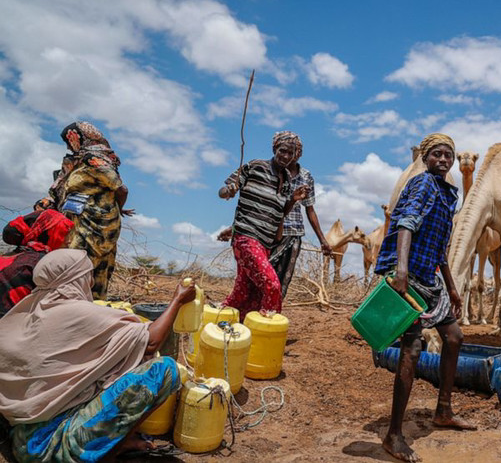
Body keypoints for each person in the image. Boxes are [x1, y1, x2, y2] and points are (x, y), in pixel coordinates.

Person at [0, 249, 196, 462]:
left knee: (114, 363)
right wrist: (178, 299)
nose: (91, 282)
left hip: (22, 441)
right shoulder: (75, 312)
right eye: (88, 275)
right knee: (163, 370)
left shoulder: (26, 311)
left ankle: (116, 442)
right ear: (76, 278)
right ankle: (113, 449)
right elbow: (151, 341)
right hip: (52, 448)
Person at [373, 133, 476, 462]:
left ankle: (443, 410)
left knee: (455, 337)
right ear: (425, 158)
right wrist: (401, 271)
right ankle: (393, 435)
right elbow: (406, 224)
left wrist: (453, 287)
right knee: (412, 349)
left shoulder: (448, 194)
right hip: (411, 277)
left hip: (430, 278)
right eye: (437, 155)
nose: (444, 160)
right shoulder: (423, 185)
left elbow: (440, 249)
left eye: (448, 155)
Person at [219, 135, 331, 299]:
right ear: (276, 150)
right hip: (265, 235)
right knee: (257, 278)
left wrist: (322, 240)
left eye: (295, 151)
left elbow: (310, 209)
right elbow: (255, 207)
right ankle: (250, 314)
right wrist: (234, 227)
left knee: (280, 281)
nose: (290, 155)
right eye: (284, 150)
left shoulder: (305, 177)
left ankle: (268, 316)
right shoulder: (261, 169)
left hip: (291, 233)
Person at [219, 131, 307, 320]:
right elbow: (228, 188)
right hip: (246, 237)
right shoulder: (255, 166)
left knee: (243, 290)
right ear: (275, 148)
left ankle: (227, 322)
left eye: (290, 153)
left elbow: (279, 213)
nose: (285, 156)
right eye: (282, 150)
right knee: (272, 285)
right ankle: (266, 328)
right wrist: (229, 191)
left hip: (266, 243)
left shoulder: (286, 181)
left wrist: (293, 200)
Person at [44, 121, 134, 300]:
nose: (69, 146)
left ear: (79, 137)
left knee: (85, 266)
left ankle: (86, 309)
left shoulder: (93, 159)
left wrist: (120, 207)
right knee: (78, 264)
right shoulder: (78, 161)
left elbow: (120, 189)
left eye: (70, 141)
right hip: (80, 223)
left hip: (95, 225)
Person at [0, 209, 74, 316]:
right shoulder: (43, 263)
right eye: (63, 234)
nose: (69, 241)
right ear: (48, 234)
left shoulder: (14, 255)